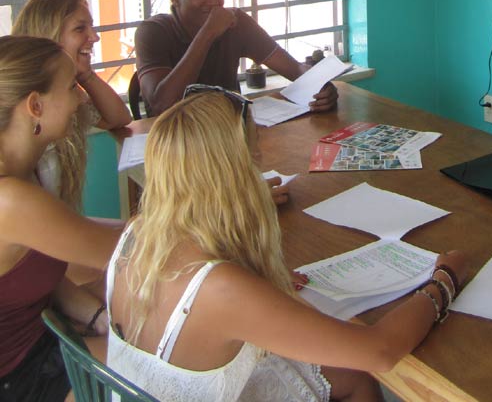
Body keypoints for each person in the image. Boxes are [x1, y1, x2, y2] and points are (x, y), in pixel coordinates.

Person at [106, 91, 467, 402]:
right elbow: (379, 351)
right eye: (255, 153)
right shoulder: (223, 289)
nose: (260, 161)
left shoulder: (137, 234)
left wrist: (258, 289)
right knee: (359, 369)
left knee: (350, 378)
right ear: (234, 174)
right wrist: (443, 282)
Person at [0, 35, 122, 402]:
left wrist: (97, 316)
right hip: (18, 378)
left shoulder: (24, 171)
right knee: (167, 368)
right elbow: (129, 251)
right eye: (71, 87)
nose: (81, 98)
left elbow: (32, 275)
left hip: (38, 340)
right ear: (35, 105)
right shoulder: (12, 200)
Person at [134, 0, 338, 118]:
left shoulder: (235, 22)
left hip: (229, 132)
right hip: (175, 140)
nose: (213, 2)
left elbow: (294, 68)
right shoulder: (152, 32)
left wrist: (320, 85)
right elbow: (162, 105)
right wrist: (208, 33)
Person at [12, 0, 132, 211]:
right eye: (80, 28)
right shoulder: (44, 103)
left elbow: (118, 118)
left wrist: (86, 75)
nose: (94, 37)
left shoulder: (63, 97)